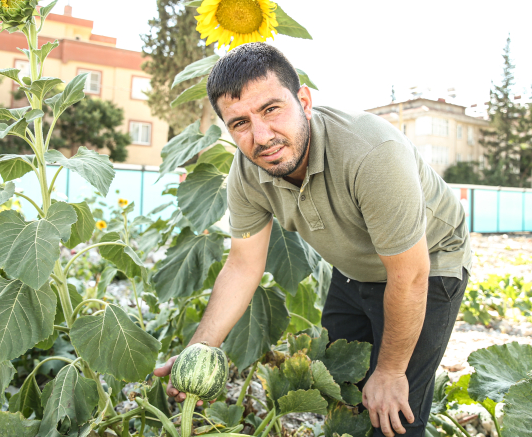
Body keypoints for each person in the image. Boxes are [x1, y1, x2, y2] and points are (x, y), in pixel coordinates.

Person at [154, 43, 471, 437]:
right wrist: (199, 349)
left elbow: (408, 276)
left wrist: (390, 372)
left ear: (304, 100)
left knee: (393, 415)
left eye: (271, 109)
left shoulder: (371, 153)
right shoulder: (248, 174)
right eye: (240, 123)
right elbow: (242, 266)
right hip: (354, 266)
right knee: (342, 393)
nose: (262, 136)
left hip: (429, 263)